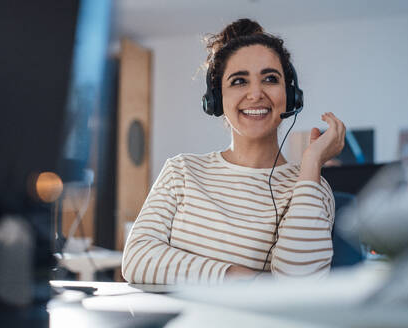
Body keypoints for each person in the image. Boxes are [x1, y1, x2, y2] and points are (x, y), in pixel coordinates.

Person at [121, 18, 345, 284]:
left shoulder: (311, 186)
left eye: (270, 79)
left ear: (291, 95)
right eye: (239, 81)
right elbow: (137, 258)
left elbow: (298, 285)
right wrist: (240, 278)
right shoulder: (181, 171)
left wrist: (312, 162)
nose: (255, 93)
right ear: (217, 99)